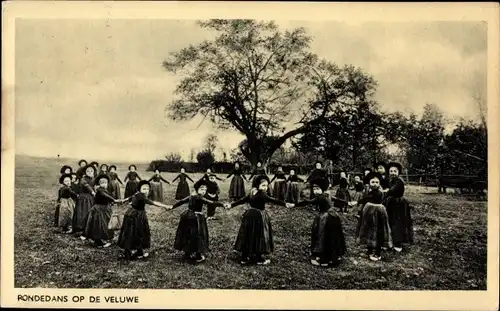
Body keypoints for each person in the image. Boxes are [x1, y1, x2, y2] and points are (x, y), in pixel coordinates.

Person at [228, 175, 292, 265]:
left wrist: (231, 205)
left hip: (249, 215)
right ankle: (258, 258)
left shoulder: (252, 192)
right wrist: (285, 204)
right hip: (258, 217)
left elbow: (243, 200)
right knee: (259, 236)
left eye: (266, 186)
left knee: (248, 235)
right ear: (258, 185)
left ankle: (245, 257)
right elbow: (272, 200)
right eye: (263, 185)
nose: (265, 188)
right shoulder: (262, 194)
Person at [294, 178, 348, 267]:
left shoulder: (321, 197)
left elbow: (308, 202)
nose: (316, 191)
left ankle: (324, 257)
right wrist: (347, 202)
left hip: (327, 218)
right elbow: (336, 199)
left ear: (322, 189)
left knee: (323, 235)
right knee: (330, 237)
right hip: (332, 216)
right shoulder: (325, 195)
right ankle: (333, 255)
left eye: (318, 189)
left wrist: (295, 205)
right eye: (314, 189)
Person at [169, 179, 225, 263]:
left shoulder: (192, 195)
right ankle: (197, 254)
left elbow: (182, 201)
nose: (203, 191)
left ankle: (187, 252)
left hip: (188, 216)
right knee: (197, 235)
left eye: (205, 190)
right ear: (197, 189)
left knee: (188, 234)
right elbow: (211, 202)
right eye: (202, 189)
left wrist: (172, 206)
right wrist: (223, 204)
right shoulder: (198, 197)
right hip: (196, 218)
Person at [118, 180, 170, 260]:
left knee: (131, 233)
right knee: (139, 232)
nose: (146, 191)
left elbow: (130, 198)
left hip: (130, 214)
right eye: (144, 189)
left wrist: (124, 201)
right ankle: (134, 252)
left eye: (147, 189)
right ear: (139, 189)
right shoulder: (141, 196)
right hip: (137, 216)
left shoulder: (137, 194)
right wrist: (165, 206)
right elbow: (153, 202)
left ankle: (133, 251)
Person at [351, 172, 393, 261]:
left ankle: (377, 253)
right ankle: (369, 250)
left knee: (377, 233)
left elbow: (368, 198)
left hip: (378, 214)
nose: (375, 184)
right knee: (369, 231)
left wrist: (357, 202)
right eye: (372, 182)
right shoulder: (369, 191)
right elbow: (367, 197)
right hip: (369, 213)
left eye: (377, 182)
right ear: (369, 183)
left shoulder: (379, 193)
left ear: (380, 183)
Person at [384, 162, 413, 253]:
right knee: (390, 221)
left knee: (398, 223)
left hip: (399, 204)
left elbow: (391, 191)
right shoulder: (389, 181)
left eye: (395, 171)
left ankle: (398, 243)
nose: (393, 173)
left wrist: (385, 191)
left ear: (398, 172)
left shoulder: (399, 181)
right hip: (390, 203)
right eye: (391, 171)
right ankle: (390, 241)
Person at [84, 174, 119, 248]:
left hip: (104, 208)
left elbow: (106, 197)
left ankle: (102, 238)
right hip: (99, 210)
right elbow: (105, 196)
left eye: (105, 183)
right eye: (102, 183)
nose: (104, 184)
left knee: (105, 223)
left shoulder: (105, 189)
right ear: (99, 184)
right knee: (99, 224)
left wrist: (111, 202)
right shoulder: (100, 190)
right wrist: (114, 200)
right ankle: (98, 241)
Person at [71, 164, 96, 239]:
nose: (90, 172)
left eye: (91, 171)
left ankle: (88, 228)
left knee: (89, 212)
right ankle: (80, 228)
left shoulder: (94, 179)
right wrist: (92, 192)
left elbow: (95, 186)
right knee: (82, 212)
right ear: (85, 172)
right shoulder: (83, 179)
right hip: (83, 198)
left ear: (94, 172)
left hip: (90, 198)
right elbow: (86, 185)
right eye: (88, 171)